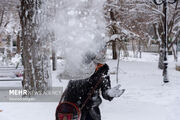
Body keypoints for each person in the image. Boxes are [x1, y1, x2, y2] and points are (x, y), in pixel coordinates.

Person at [57, 51, 125, 120]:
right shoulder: (80, 63)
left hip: (92, 108)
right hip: (72, 107)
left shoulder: (104, 69)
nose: (99, 66)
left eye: (101, 64)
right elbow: (69, 76)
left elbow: (105, 88)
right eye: (97, 63)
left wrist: (109, 93)